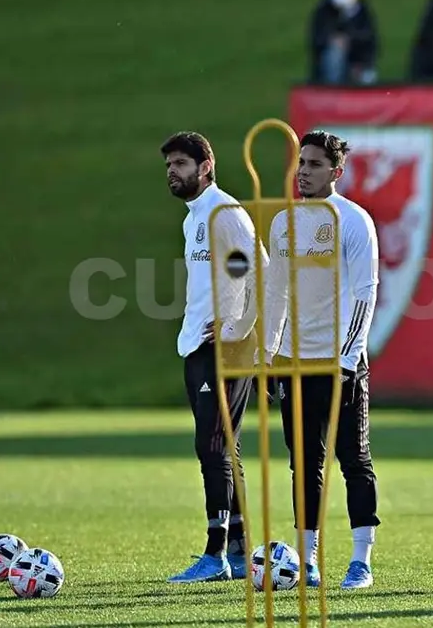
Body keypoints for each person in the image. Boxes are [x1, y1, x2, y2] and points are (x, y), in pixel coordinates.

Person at [262, 129, 380, 590]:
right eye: (300, 163)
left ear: (336, 170)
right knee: (303, 462)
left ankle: (360, 560)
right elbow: (276, 292)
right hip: (294, 361)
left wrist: (349, 358)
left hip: (340, 362)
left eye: (313, 164)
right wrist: (270, 353)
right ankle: (307, 558)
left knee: (354, 459)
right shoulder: (283, 223)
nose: (303, 172)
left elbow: (366, 293)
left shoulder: (352, 221)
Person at [162, 131, 267, 583]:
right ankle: (240, 552)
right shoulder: (195, 218)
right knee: (222, 447)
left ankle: (215, 553)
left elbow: (261, 267)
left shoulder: (224, 211)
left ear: (206, 166)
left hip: (223, 349)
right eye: (169, 166)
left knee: (212, 446)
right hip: (198, 344)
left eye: (182, 164)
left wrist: (238, 328)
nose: (173, 172)